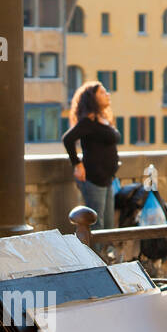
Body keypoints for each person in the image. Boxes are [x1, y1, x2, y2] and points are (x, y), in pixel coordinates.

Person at [62, 81, 121, 229]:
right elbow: (68, 139)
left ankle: (104, 253)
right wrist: (77, 164)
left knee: (108, 225)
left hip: (107, 179)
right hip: (94, 180)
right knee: (97, 225)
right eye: (102, 92)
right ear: (92, 98)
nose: (107, 94)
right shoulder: (87, 122)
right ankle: (93, 253)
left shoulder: (103, 120)